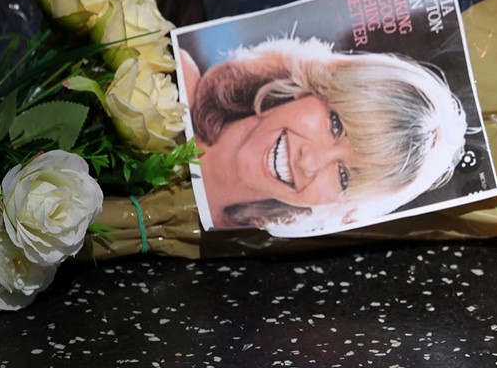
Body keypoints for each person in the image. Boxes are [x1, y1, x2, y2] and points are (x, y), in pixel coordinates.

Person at [181, 36, 469, 236]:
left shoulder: (232, 258)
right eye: (336, 124)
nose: (310, 162)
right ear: (309, 87)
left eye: (344, 176)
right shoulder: (167, 78)